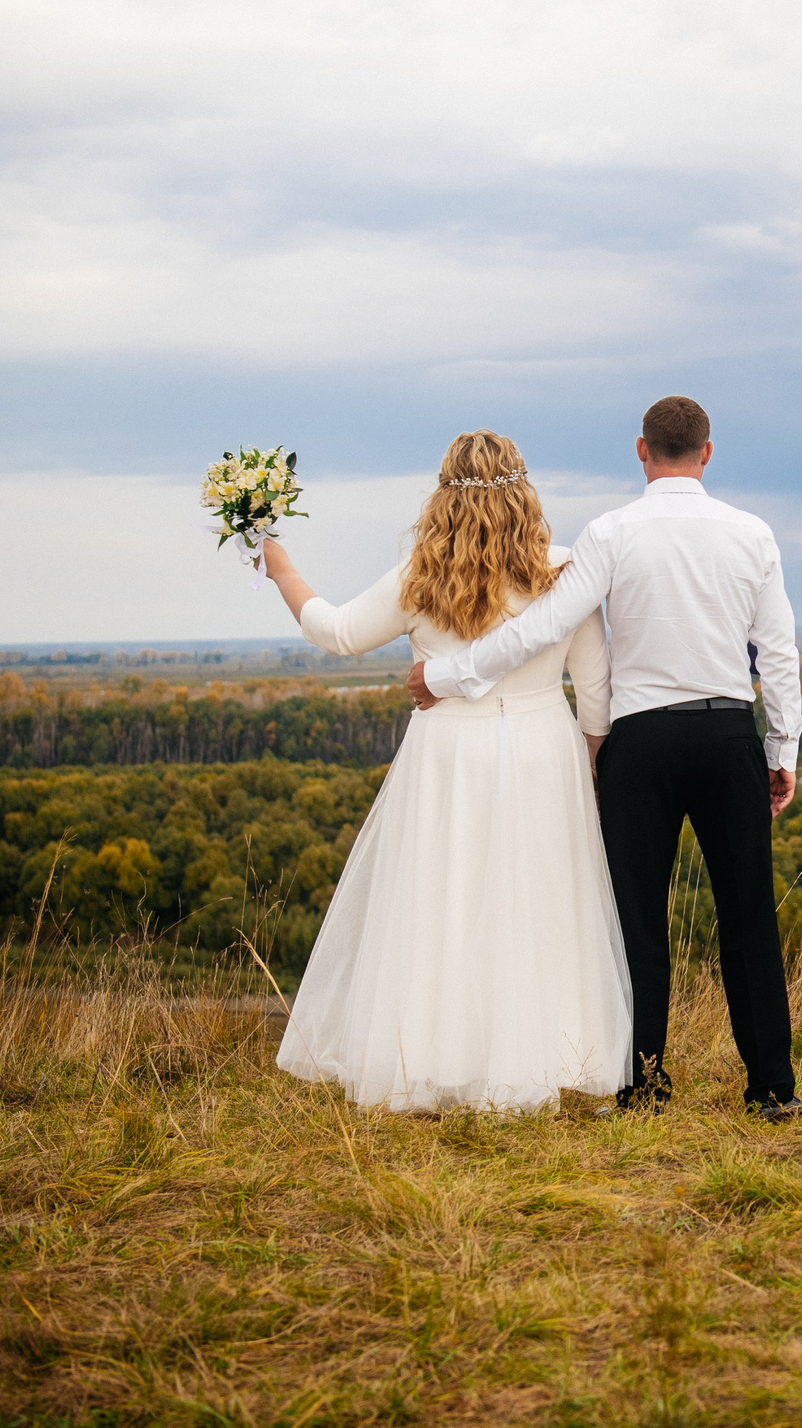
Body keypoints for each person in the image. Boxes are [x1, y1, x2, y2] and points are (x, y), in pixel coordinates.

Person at [407, 395, 802, 1121]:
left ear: (641, 450)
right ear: (708, 452)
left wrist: (447, 676)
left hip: (641, 745)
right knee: (748, 914)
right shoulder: (752, 535)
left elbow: (542, 628)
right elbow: (777, 654)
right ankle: (772, 1089)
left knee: (636, 919)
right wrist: (781, 748)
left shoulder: (612, 533)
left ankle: (644, 1084)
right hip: (727, 736)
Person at [257, 430, 631, 1112]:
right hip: (545, 748)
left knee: (446, 898)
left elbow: (337, 631)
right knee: (537, 900)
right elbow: (597, 690)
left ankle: (434, 1058)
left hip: (445, 754)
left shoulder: (419, 577)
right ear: (525, 491)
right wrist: (594, 768)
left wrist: (281, 566)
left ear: (441, 492)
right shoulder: (566, 570)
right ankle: (543, 1055)